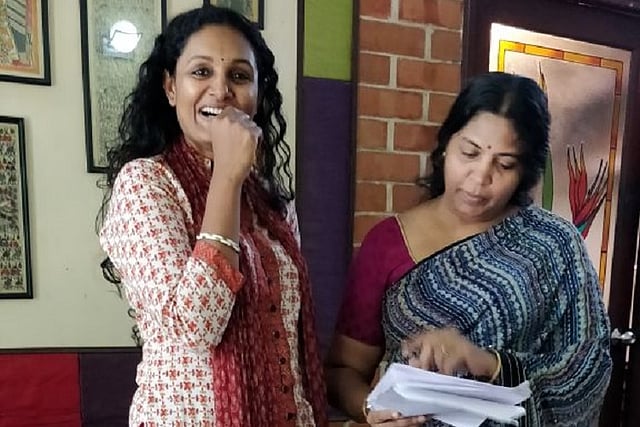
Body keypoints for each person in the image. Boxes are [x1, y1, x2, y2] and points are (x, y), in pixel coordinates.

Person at [325, 72, 612, 426]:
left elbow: (590, 367)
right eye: (470, 153)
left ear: (524, 171)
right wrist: (373, 411)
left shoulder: (555, 245)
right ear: (446, 144)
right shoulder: (386, 244)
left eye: (504, 164)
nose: (479, 178)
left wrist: (488, 363)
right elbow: (341, 371)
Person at [98, 5, 327, 426]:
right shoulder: (146, 184)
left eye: (239, 76)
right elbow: (197, 326)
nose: (220, 91)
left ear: (257, 93)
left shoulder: (270, 200)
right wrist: (227, 176)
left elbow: (287, 341)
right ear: (171, 87)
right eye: (201, 72)